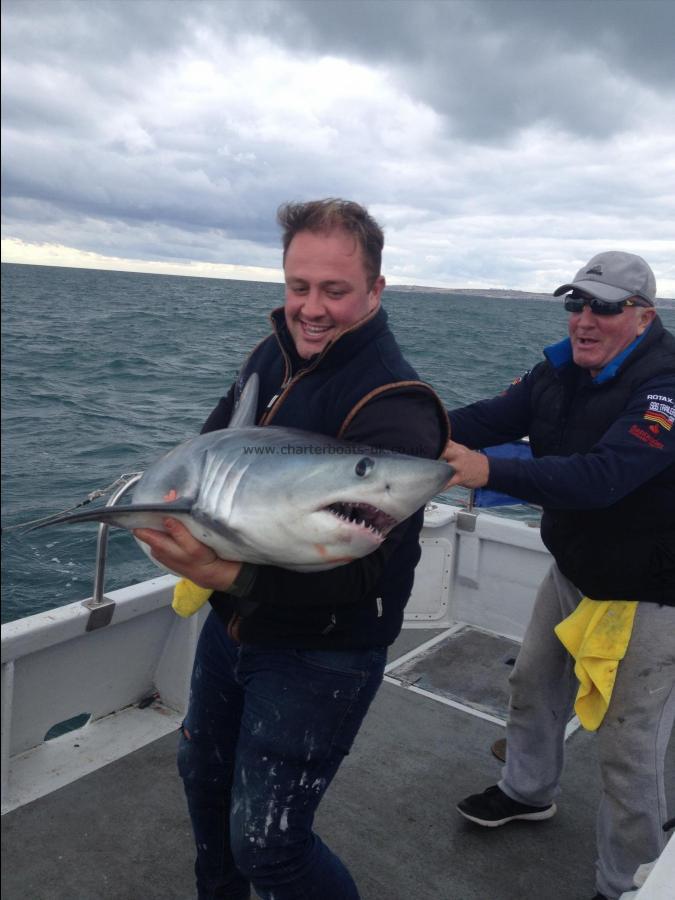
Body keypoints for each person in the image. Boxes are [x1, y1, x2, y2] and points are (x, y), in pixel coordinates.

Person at [134, 199, 448, 900]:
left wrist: (228, 571)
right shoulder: (267, 358)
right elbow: (207, 442)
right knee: (204, 784)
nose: (311, 308)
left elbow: (362, 575)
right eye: (298, 286)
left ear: (374, 289)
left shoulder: (396, 404)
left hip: (321, 655)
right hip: (233, 628)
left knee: (269, 845)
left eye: (335, 290)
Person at [443, 251, 675, 900]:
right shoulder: (558, 370)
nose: (584, 320)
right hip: (576, 566)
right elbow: (487, 419)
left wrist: (489, 472)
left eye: (602, 307)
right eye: (576, 304)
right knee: (533, 683)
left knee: (628, 751)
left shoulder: (665, 385)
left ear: (641, 316)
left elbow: (603, 478)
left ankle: (626, 882)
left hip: (652, 591)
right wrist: (398, 423)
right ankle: (526, 791)